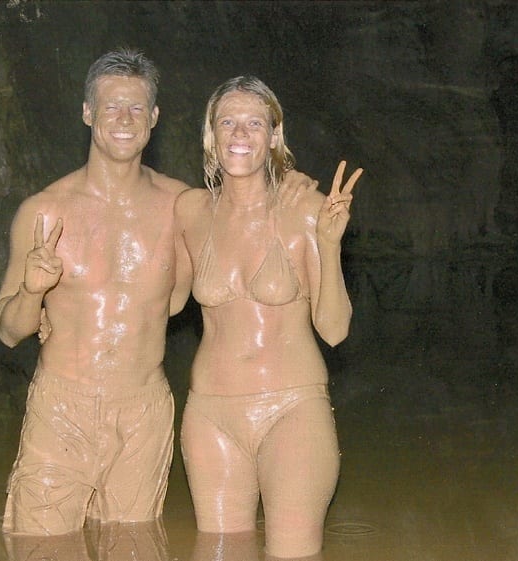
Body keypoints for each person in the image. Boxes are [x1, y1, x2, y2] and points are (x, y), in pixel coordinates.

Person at [0, 48, 315, 536]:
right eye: (110, 107)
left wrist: (291, 181)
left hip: (144, 411)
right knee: (41, 546)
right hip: (62, 408)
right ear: (87, 113)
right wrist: (32, 294)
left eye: (137, 108)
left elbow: (246, 201)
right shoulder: (43, 212)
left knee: (133, 546)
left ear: (154, 118)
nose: (124, 119)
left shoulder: (180, 207)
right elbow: (9, 331)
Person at [174, 75, 362, 558]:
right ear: (211, 136)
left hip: (291, 410)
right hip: (210, 415)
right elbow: (161, 296)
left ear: (274, 136)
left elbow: (335, 330)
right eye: (227, 123)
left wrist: (328, 242)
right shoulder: (190, 211)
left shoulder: (307, 210)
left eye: (254, 123)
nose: (240, 134)